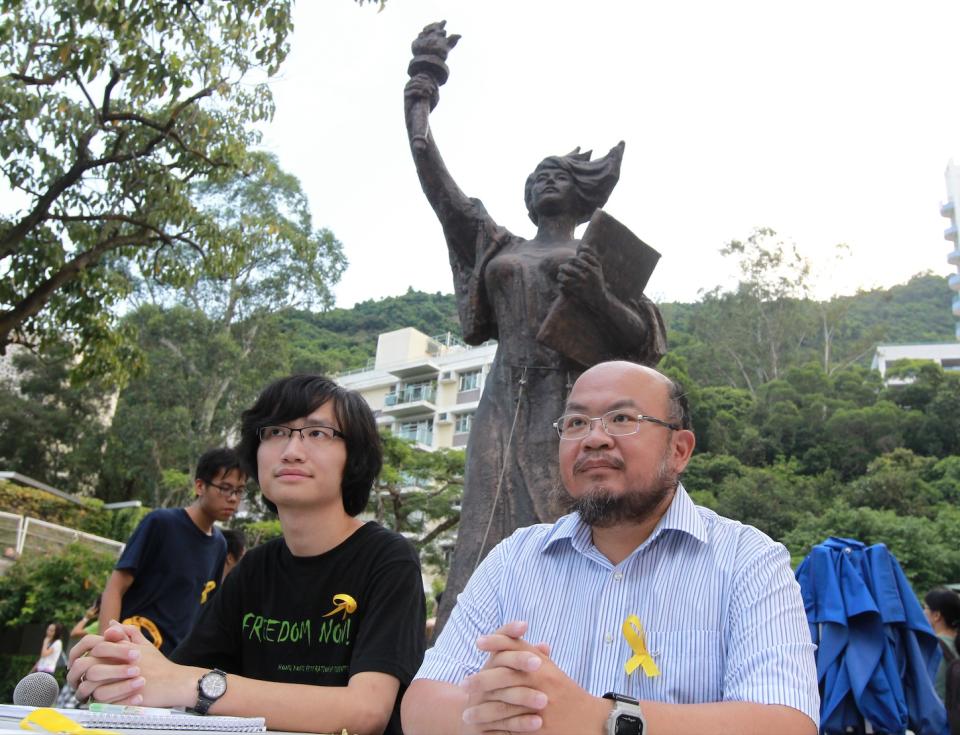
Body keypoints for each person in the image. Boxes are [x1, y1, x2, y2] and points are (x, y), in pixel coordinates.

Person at [404, 27, 668, 628]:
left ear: (582, 194)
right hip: (504, 398)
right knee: (484, 524)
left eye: (558, 174)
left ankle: (579, 644)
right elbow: (436, 185)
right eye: (536, 175)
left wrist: (597, 295)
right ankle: (462, 650)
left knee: (571, 523)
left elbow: (642, 346)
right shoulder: (498, 244)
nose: (545, 179)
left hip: (576, 405)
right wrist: (421, 90)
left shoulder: (599, 254)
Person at [401, 361, 819, 735]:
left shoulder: (748, 558)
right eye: (576, 423)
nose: (593, 439)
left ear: (679, 450)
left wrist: (599, 718)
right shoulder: (514, 559)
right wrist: (495, 714)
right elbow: (422, 703)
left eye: (622, 418)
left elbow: (787, 721)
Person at [69, 375, 426, 735]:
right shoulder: (255, 570)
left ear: (354, 458)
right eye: (274, 433)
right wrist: (125, 668)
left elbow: (365, 712)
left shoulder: (388, 559)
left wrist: (196, 686)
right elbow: (171, 678)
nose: (291, 450)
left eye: (317, 433)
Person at [98, 448, 243, 654]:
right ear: (200, 486)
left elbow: (203, 612)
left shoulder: (219, 544)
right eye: (226, 488)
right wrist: (105, 648)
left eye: (239, 491)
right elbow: (115, 587)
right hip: (130, 650)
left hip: (172, 665)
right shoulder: (161, 523)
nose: (233, 498)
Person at [924, 587, 960, 703]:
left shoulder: (933, 646)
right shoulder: (955, 641)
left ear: (936, 615)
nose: (922, 612)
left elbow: (937, 692)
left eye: (925, 608)